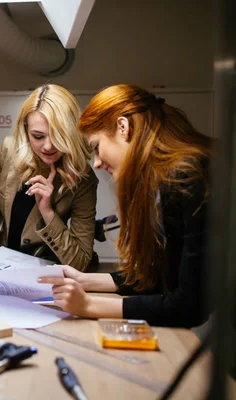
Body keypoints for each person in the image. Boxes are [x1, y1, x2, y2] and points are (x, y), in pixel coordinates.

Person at [39, 84, 212, 328]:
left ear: (123, 127)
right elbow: (161, 276)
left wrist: (89, 306)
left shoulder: (187, 176)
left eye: (96, 147)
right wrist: (86, 280)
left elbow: (190, 305)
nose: (97, 163)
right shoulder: (169, 178)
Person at [0, 84, 98, 271]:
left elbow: (80, 262)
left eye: (57, 136)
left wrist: (48, 212)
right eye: (38, 136)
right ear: (26, 130)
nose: (48, 146)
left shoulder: (83, 178)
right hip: (0, 266)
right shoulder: (8, 150)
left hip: (45, 269)